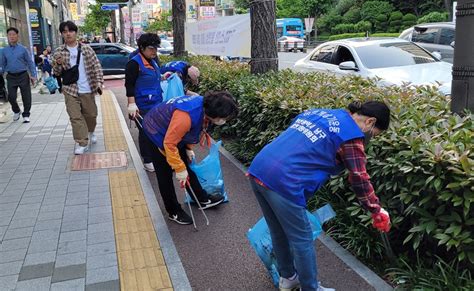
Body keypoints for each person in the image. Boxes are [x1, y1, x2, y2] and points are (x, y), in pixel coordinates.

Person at [247, 101, 392, 291]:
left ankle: (288, 277)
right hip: (284, 180)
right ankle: (310, 288)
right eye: (373, 134)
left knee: (278, 231)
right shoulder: (352, 136)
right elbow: (359, 177)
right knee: (303, 239)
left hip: (259, 168)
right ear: (370, 122)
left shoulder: (321, 113)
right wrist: (376, 209)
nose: (370, 137)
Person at [141, 91, 238, 225]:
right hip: (156, 131)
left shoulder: (204, 106)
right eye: (223, 117)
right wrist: (179, 168)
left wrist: (187, 149)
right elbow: (169, 144)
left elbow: (190, 130)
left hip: (171, 131)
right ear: (214, 113)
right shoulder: (185, 116)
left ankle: (201, 198)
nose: (224, 121)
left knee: (187, 167)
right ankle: (173, 211)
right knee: (165, 174)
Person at [52, 21, 103, 155]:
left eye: (70, 31)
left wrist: (99, 82)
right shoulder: (59, 51)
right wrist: (57, 64)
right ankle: (82, 142)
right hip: (70, 89)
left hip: (87, 88)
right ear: (62, 34)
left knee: (91, 115)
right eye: (64, 31)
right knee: (75, 117)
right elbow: (57, 72)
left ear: (75, 32)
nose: (68, 34)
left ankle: (90, 131)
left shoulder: (86, 49)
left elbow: (96, 66)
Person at [125, 33, 162, 172]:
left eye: (156, 48)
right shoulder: (134, 63)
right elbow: (129, 85)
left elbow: (153, 77)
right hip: (142, 105)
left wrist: (163, 76)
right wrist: (131, 104)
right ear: (142, 47)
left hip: (156, 103)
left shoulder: (153, 61)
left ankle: (155, 156)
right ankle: (147, 159)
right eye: (151, 48)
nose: (154, 51)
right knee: (146, 132)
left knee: (156, 130)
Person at [0, 27, 37, 123]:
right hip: (11, 76)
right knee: (11, 97)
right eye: (9, 35)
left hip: (23, 75)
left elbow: (30, 62)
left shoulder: (23, 49)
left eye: (13, 34)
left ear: (17, 36)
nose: (11, 36)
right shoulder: (4, 51)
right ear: (7, 37)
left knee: (26, 96)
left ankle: (26, 114)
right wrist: (1, 72)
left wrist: (33, 75)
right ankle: (16, 111)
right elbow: (3, 64)